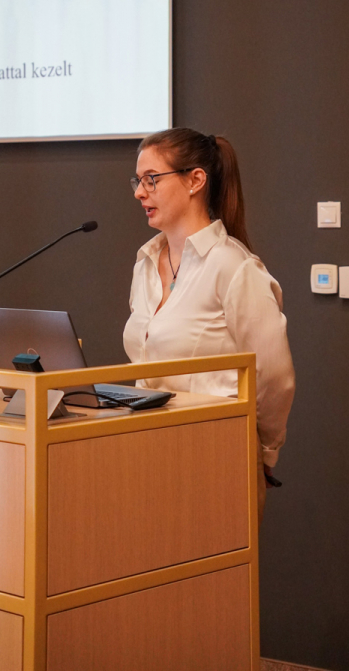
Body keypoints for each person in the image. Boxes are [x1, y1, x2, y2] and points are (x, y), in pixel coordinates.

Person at [123, 128, 295, 524]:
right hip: (147, 449)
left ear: (195, 180)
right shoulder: (145, 263)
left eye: (152, 179)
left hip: (215, 451)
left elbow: (274, 377)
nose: (140, 193)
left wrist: (264, 453)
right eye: (138, 181)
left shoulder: (233, 266)